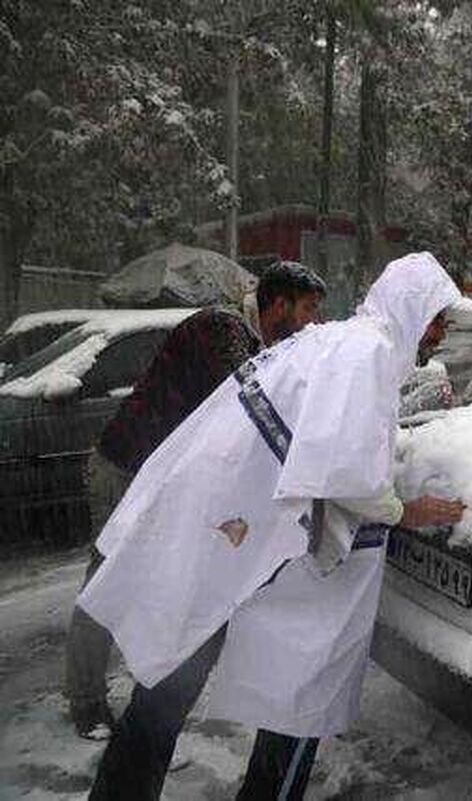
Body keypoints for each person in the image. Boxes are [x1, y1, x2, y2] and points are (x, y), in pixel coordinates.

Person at [76, 252, 472, 800]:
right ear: (412, 308)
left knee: (175, 668)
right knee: (288, 690)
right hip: (231, 524)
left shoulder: (342, 343)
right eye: (437, 319)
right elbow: (345, 471)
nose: (440, 334)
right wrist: (407, 510)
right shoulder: (368, 352)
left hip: (227, 522)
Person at [66, 261, 327, 740]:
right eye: (308, 309)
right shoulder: (221, 328)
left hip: (158, 476)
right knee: (107, 577)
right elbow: (251, 400)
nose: (313, 321)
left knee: (158, 576)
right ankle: (85, 702)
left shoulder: (252, 341)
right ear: (279, 304)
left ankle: (150, 676)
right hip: (126, 465)